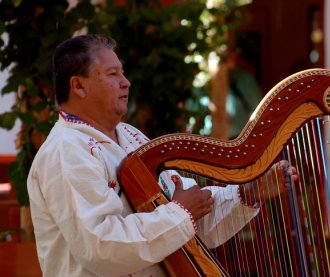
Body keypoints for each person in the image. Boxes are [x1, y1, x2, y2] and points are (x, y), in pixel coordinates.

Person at [27, 34, 297, 276]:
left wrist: (246, 194)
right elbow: (101, 247)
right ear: (79, 86)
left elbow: (191, 213)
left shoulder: (130, 136)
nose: (126, 82)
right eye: (112, 74)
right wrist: (180, 213)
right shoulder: (66, 151)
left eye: (123, 72)